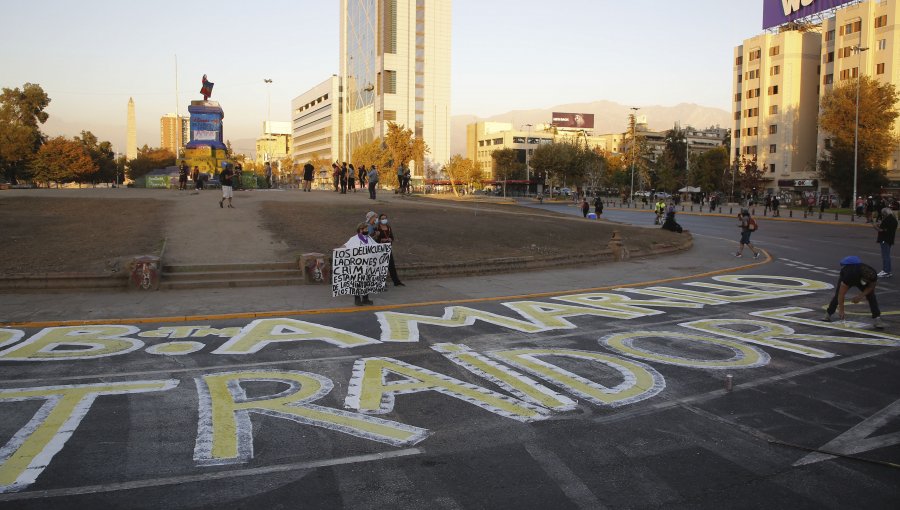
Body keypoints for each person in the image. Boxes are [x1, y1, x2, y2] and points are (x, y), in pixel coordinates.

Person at [824, 256, 883, 329]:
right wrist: (841, 311)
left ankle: (877, 318)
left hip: (859, 276)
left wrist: (860, 296)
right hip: (851, 276)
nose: (866, 283)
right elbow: (841, 294)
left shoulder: (873, 274)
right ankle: (828, 313)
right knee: (837, 296)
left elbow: (871, 287)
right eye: (865, 281)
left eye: (868, 281)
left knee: (871, 296)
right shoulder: (849, 276)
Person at [342, 222, 376, 306]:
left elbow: (376, 247)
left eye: (367, 229)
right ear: (360, 230)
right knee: (357, 282)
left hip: (368, 264)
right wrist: (337, 250)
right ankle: (357, 299)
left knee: (366, 282)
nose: (367, 230)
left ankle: (365, 298)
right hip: (357, 265)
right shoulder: (354, 239)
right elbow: (346, 246)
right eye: (365, 229)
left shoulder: (369, 238)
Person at [373, 213, 405, 287]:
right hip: (380, 249)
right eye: (382, 218)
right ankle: (381, 283)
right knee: (381, 266)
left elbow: (392, 237)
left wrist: (390, 239)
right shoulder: (376, 228)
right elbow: (373, 239)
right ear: (380, 220)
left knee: (391, 266)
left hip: (387, 248)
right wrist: (381, 239)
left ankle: (396, 281)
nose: (384, 220)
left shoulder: (389, 227)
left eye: (385, 218)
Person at [875, 207, 896, 277]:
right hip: (890, 239)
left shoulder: (886, 220)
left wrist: (874, 226)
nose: (882, 215)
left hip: (884, 239)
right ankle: (888, 271)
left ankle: (886, 271)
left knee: (885, 256)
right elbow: (887, 229)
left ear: (885, 213)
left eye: (883, 213)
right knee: (887, 256)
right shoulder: (894, 219)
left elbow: (881, 230)